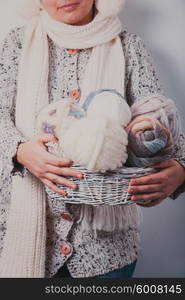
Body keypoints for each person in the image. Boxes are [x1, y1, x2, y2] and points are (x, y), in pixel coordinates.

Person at [0, 0, 185, 278]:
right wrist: (20, 149)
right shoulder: (17, 43)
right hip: (23, 235)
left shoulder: (129, 47)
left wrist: (180, 173)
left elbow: (161, 123)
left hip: (105, 253)